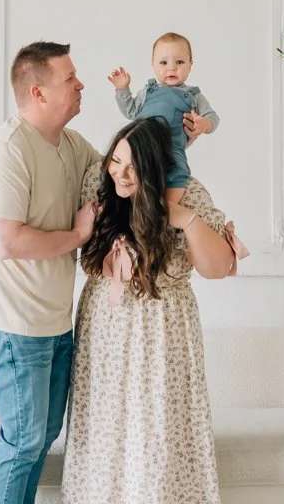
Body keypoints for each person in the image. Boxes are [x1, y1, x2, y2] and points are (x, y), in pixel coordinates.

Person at [60, 117, 247, 504]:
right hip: (106, 329)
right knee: (105, 435)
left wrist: (182, 218)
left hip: (163, 331)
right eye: (116, 161)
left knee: (157, 437)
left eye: (133, 167)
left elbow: (217, 268)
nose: (120, 174)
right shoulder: (98, 184)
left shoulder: (185, 192)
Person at [0, 41, 101, 504]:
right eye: (70, 79)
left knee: (43, 436)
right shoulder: (7, 149)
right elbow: (8, 242)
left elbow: (119, 170)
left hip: (56, 321)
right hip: (16, 323)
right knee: (22, 442)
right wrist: (79, 234)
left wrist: (175, 134)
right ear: (38, 92)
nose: (81, 84)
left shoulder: (72, 145)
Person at [108, 32, 219, 204]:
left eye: (179, 62)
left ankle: (168, 208)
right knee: (123, 167)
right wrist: (122, 89)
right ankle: (117, 203)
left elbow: (213, 117)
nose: (171, 68)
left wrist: (204, 124)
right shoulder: (148, 91)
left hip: (172, 149)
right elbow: (131, 111)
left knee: (178, 172)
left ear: (191, 65)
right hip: (141, 147)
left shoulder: (193, 95)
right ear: (153, 65)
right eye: (163, 62)